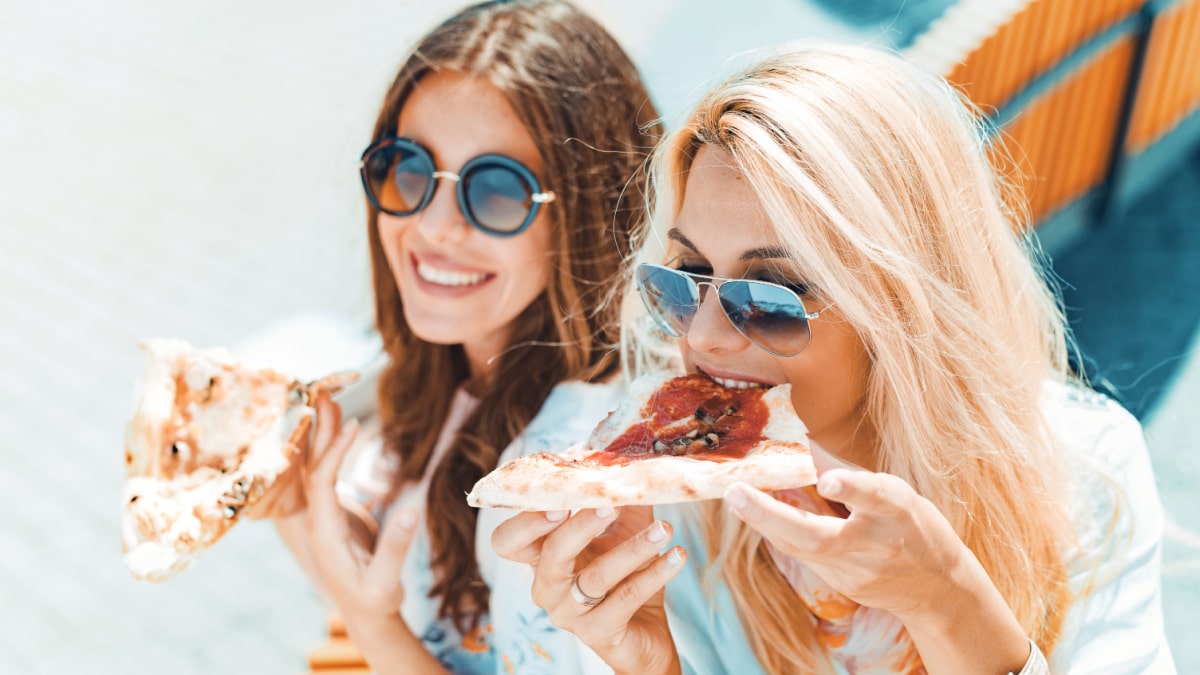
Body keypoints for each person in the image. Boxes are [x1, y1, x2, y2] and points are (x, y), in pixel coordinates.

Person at [493, 43, 1175, 674]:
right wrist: (653, 665)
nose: (704, 337)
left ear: (905, 307)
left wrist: (952, 604)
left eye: (774, 295)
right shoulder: (666, 516)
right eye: (686, 276)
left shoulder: (1086, 474)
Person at [248, 1, 662, 672]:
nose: (435, 225)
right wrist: (301, 507)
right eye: (407, 168)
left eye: (497, 192)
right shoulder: (462, 372)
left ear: (587, 215)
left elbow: (385, 631)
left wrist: (373, 624)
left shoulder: (565, 486)